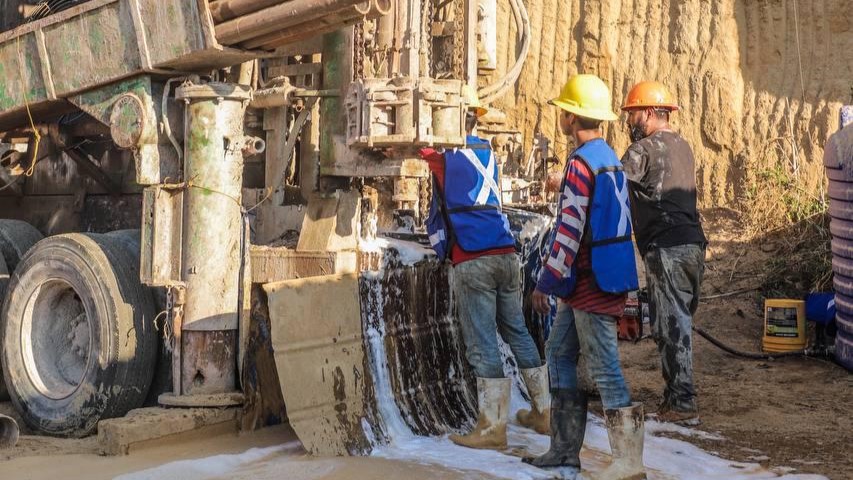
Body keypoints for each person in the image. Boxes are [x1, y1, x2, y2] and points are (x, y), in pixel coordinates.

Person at [526, 74, 645, 480]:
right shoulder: (608, 156)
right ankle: (563, 451)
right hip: (598, 276)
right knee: (559, 352)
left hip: (590, 281)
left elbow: (569, 228)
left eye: (564, 111)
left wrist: (546, 281)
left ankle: (629, 464)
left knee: (606, 368)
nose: (561, 117)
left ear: (572, 118)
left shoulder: (580, 164)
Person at [421, 85, 550, 449]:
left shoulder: (444, 156)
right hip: (506, 255)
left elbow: (409, 146)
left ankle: (492, 429)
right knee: (517, 332)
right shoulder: (486, 150)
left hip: (473, 259)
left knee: (482, 345)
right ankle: (545, 412)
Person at [620, 81, 707, 425]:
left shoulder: (643, 150)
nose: (630, 121)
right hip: (693, 246)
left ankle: (682, 404)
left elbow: (611, 184)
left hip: (667, 248)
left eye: (633, 114)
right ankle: (675, 397)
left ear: (649, 112)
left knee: (671, 326)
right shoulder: (683, 147)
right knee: (679, 320)